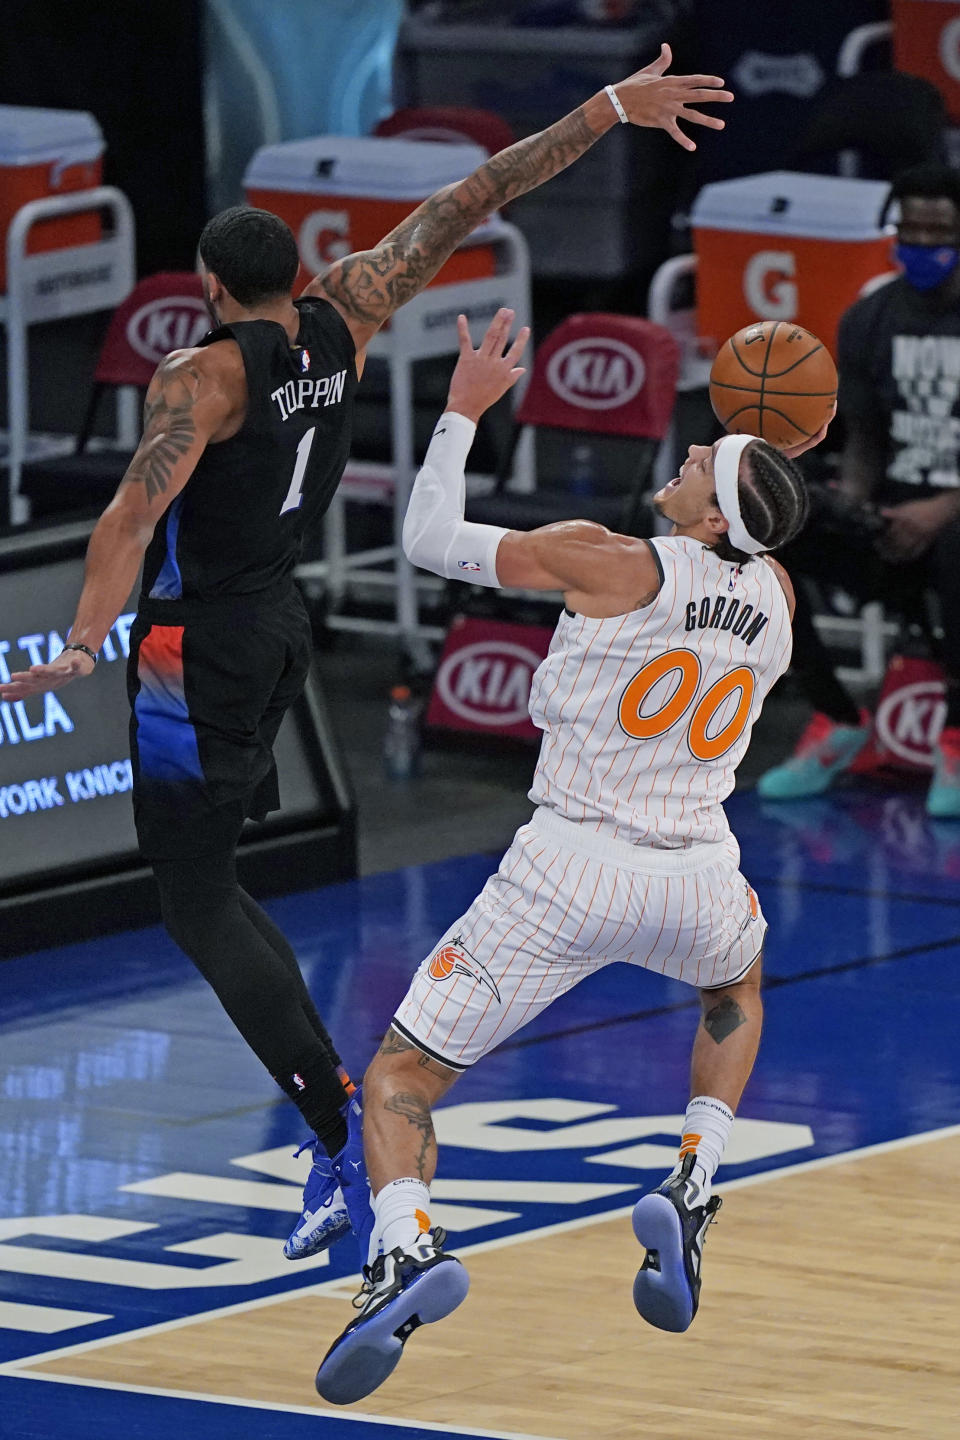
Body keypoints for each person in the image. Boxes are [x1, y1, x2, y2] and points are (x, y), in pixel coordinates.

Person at [0, 46, 732, 1269]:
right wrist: (610, 105)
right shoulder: (350, 311)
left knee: (190, 900)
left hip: (197, 648)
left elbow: (131, 514)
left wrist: (84, 638)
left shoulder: (200, 377)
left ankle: (338, 1132)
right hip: (281, 631)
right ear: (294, 275)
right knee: (221, 885)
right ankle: (329, 1115)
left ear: (204, 287)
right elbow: (478, 192)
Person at [314, 308, 822, 1407]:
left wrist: (461, 411)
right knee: (735, 988)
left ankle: (403, 1249)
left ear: (711, 507)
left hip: (566, 871)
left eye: (697, 462)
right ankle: (692, 1182)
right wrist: (768, 462)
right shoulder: (780, 599)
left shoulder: (608, 560)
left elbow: (428, 540)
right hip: (696, 876)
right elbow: (764, 517)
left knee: (403, 1075)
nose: (680, 459)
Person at [757, 162, 960, 817]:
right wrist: (858, 505)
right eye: (911, 229)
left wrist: (940, 510)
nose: (922, 243)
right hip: (898, 515)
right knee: (769, 528)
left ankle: (955, 740)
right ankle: (836, 717)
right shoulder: (870, 317)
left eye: (940, 231)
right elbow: (866, 438)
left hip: (953, 524)